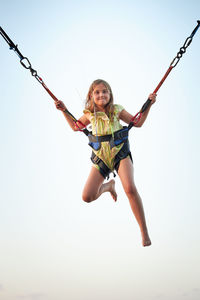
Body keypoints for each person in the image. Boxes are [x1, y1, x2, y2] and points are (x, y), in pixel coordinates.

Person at [54, 79, 156, 247]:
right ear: (91, 96)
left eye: (105, 91)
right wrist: (64, 110)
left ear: (110, 94)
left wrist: (149, 104)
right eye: (97, 92)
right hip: (101, 158)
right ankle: (108, 186)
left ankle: (144, 232)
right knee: (87, 196)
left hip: (119, 153)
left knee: (130, 188)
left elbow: (137, 122)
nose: (101, 94)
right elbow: (75, 126)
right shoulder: (89, 114)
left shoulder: (116, 110)